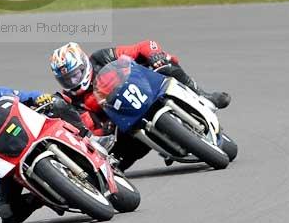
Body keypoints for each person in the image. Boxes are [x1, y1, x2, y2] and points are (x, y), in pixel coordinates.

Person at [0, 62, 105, 223]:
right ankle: (40, 197)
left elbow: (25, 97)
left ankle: (89, 138)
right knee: (8, 215)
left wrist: (39, 98)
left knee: (55, 102)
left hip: (28, 133)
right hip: (2, 162)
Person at [49, 40, 231, 170]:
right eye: (66, 79)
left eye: (76, 74)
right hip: (125, 121)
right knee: (118, 159)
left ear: (84, 63)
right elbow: (90, 127)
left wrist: (155, 55)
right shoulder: (74, 101)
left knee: (166, 63)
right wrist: (104, 129)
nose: (73, 81)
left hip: (145, 87)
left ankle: (203, 95)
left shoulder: (101, 57)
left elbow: (143, 46)